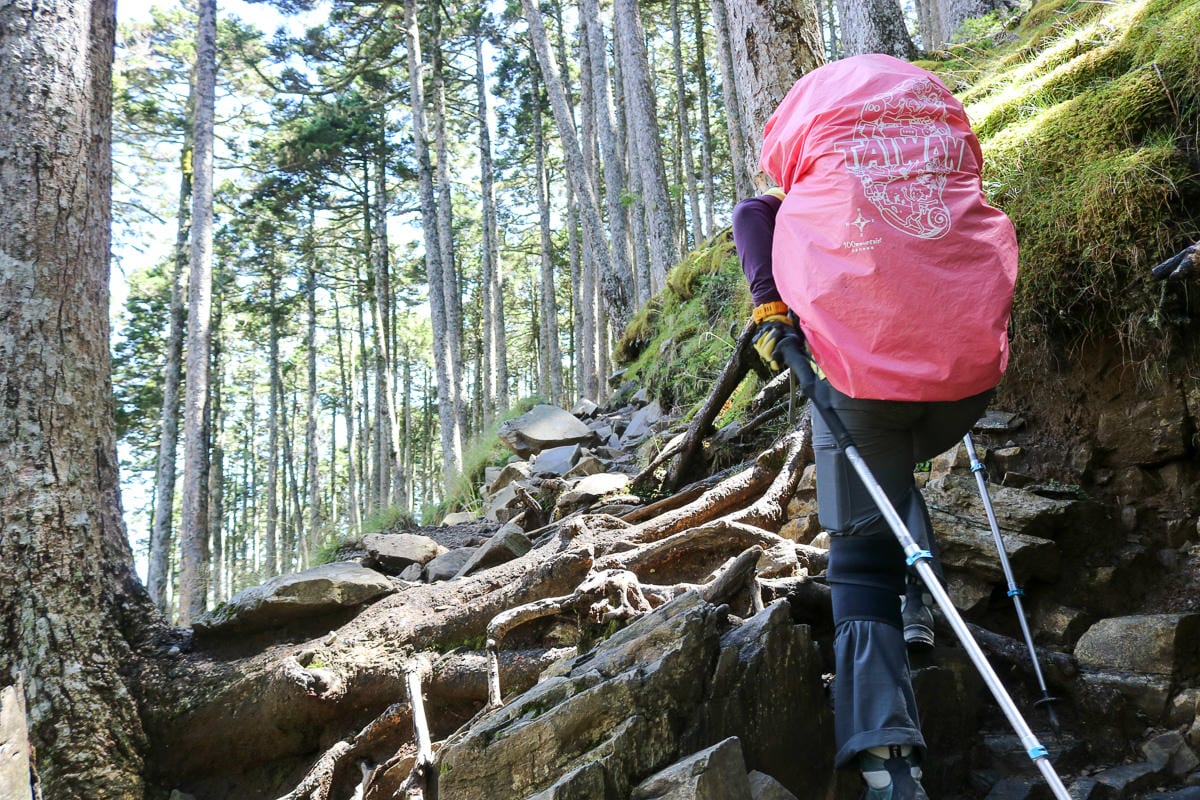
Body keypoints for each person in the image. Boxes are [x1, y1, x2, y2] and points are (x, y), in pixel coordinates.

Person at [732, 54, 1018, 800]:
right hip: (965, 380)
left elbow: (752, 215)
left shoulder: (813, 190)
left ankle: (886, 755)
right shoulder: (931, 164)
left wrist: (770, 305)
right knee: (889, 478)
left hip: (861, 380)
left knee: (859, 559)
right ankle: (918, 603)